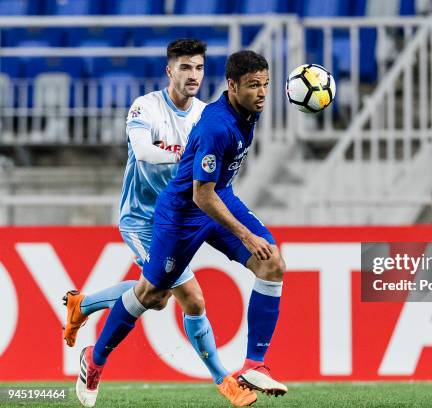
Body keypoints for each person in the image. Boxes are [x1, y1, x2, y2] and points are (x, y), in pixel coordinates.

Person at [75, 50, 287, 407]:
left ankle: (254, 364)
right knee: (151, 297)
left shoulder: (245, 112)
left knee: (272, 264)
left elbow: (214, 190)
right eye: (254, 86)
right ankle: (94, 360)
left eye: (266, 85)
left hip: (220, 197)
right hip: (183, 214)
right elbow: (200, 196)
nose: (262, 93)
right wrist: (245, 235)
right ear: (232, 86)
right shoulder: (214, 125)